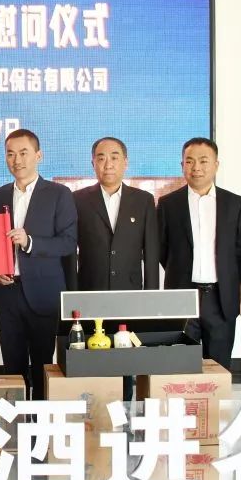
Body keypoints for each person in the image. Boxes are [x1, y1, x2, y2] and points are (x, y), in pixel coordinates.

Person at [71, 136, 159, 399]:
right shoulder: (78, 200)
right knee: (91, 359)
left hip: (128, 295)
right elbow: (70, 251)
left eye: (114, 157)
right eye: (100, 158)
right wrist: (72, 295)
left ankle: (125, 413)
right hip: (90, 292)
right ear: (93, 164)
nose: (107, 163)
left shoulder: (143, 200)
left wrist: (150, 298)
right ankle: (93, 413)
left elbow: (151, 252)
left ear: (125, 162)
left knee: (125, 361)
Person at [0, 129, 77, 400]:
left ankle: (40, 424)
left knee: (43, 368)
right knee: (11, 371)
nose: (17, 160)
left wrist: (30, 242)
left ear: (39, 155)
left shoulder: (59, 194)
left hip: (43, 294)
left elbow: (68, 243)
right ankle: (14, 424)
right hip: (7, 294)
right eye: (10, 154)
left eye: (23, 153)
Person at [157, 138, 241, 369]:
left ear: (216, 165)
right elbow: (162, 250)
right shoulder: (168, 204)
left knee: (218, 367)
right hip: (182, 295)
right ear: (182, 166)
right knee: (180, 366)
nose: (196, 167)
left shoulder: (235, 204)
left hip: (220, 298)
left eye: (203, 161)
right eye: (190, 161)